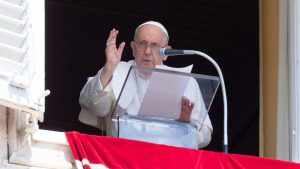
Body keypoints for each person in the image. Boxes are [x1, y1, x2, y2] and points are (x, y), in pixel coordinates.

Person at [78, 21, 213, 149]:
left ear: (166, 53)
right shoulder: (118, 70)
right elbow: (92, 105)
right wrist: (109, 67)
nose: (147, 51)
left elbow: (205, 134)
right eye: (142, 44)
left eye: (154, 45)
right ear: (133, 48)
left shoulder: (186, 81)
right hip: (121, 157)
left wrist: (185, 124)